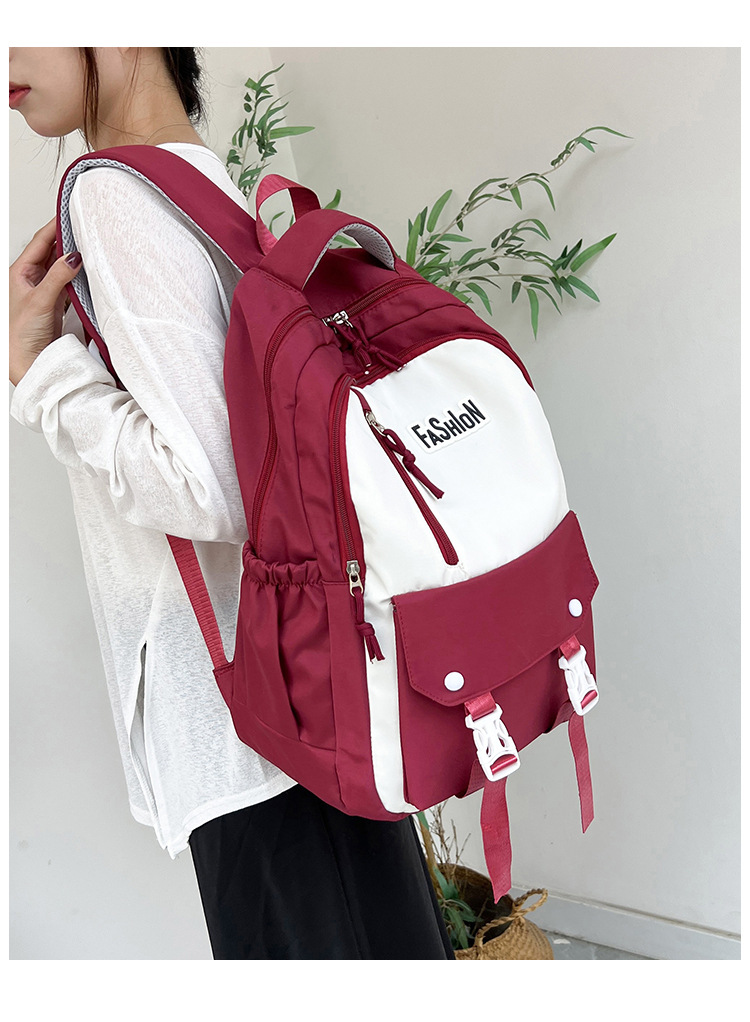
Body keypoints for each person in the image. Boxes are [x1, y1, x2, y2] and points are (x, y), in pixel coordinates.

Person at [9, 47, 454, 961]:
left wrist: (42, 373)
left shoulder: (114, 195)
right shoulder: (207, 183)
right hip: (321, 691)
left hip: (248, 727)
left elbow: (207, 486)